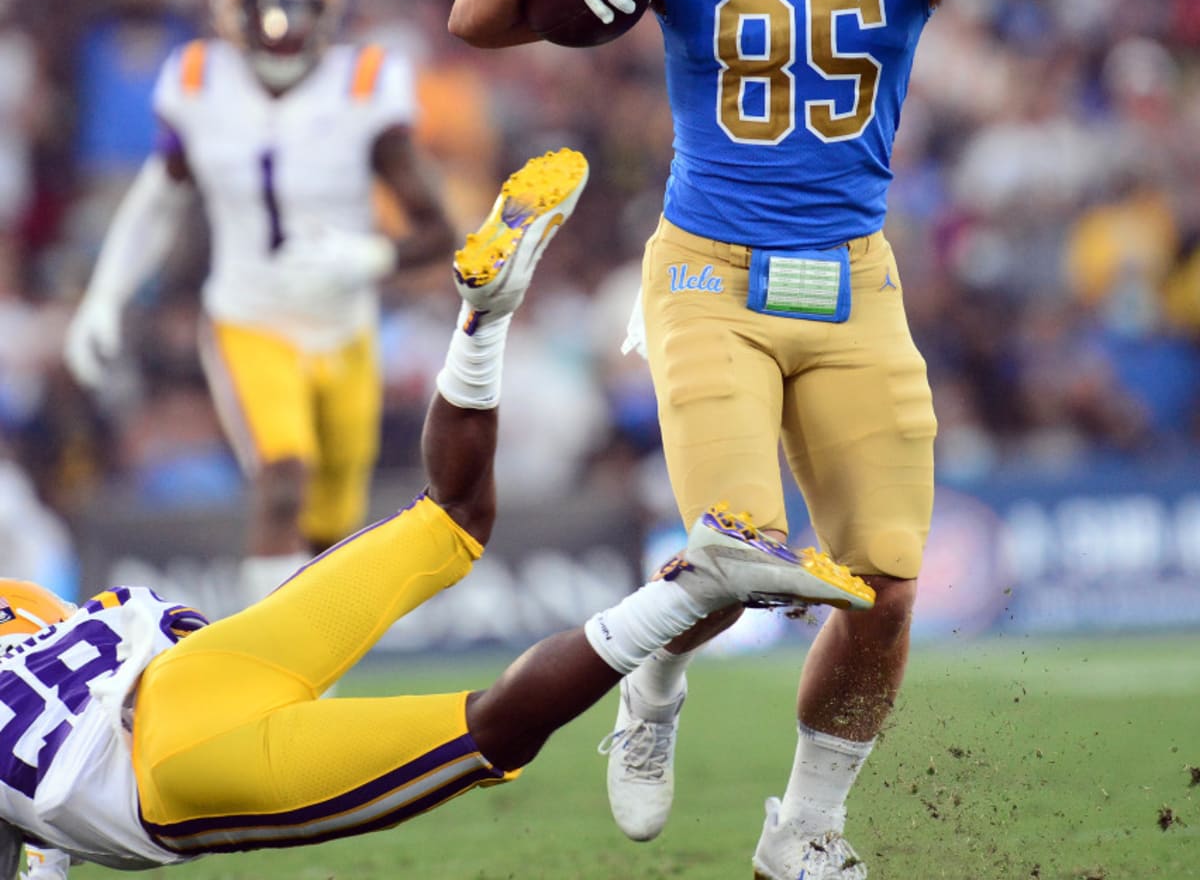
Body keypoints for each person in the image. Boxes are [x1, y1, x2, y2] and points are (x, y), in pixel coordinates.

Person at [446, 0, 1115, 880]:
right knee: (732, 551)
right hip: (708, 272)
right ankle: (653, 685)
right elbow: (477, 21)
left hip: (854, 279)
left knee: (887, 583)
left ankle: (806, 827)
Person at [0, 146, 874, 879]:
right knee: (451, 516)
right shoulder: (13, 601)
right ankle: (481, 323)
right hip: (188, 669)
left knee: (493, 729)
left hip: (167, 773)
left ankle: (689, 592)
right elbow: (72, 620)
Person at [64, 0, 455, 608]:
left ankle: (313, 663)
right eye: (266, 9)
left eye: (298, 9)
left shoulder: (365, 84)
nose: (280, 28)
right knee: (282, 476)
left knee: (332, 524)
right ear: (229, 12)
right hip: (249, 318)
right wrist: (104, 295)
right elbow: (157, 201)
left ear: (327, 15)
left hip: (345, 327)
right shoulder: (198, 80)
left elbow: (438, 230)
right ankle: (262, 672)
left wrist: (370, 255)